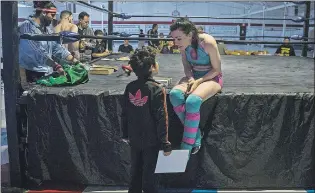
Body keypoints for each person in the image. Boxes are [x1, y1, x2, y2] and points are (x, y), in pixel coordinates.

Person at [169, 18, 223, 155]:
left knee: (192, 101)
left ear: (189, 34)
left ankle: (186, 147)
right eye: (174, 39)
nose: (175, 43)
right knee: (174, 95)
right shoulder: (183, 46)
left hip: (211, 77)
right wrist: (191, 78)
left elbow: (216, 69)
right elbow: (187, 67)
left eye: (178, 39)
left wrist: (199, 81)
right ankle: (196, 133)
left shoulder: (208, 42)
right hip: (194, 76)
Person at [121, 47, 172, 193]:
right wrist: (165, 143)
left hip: (134, 138)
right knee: (150, 174)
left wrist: (125, 134)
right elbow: (162, 117)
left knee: (135, 172)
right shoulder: (156, 89)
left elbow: (124, 113)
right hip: (152, 141)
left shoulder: (130, 87)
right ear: (152, 67)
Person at [19, 1, 78, 83]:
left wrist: (75, 61)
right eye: (52, 15)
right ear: (43, 12)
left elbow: (57, 47)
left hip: (46, 71)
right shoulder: (27, 26)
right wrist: (56, 66)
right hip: (30, 73)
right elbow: (36, 50)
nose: (54, 18)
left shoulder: (47, 29)